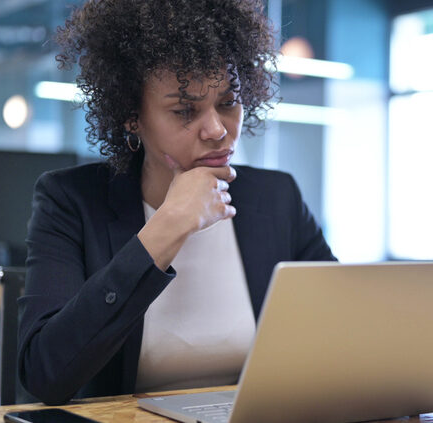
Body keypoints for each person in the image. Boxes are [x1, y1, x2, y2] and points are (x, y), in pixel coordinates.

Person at [18, 0, 335, 405]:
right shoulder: (71, 202)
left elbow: (342, 331)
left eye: (227, 102)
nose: (218, 130)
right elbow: (44, 374)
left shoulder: (276, 198)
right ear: (132, 115)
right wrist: (166, 227)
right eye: (185, 110)